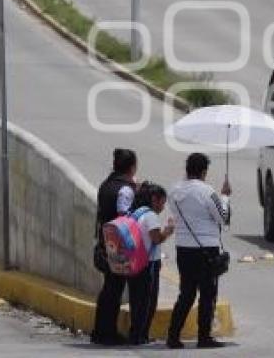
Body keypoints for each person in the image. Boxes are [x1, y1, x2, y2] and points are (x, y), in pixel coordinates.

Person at [167, 153, 231, 350]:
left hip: (183, 248)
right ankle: (204, 337)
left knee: (186, 294)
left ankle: (173, 336)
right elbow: (223, 218)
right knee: (207, 294)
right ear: (204, 171)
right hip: (206, 249)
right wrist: (225, 197)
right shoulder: (207, 191)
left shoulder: (174, 191)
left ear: (187, 169)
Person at [91, 148, 138, 346]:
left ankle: (100, 331)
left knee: (109, 289)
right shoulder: (126, 189)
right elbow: (124, 216)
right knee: (114, 289)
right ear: (132, 167)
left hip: (104, 242)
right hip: (117, 246)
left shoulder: (106, 184)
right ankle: (108, 332)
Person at [128, 182, 174, 345]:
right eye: (162, 202)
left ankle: (135, 333)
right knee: (147, 301)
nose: (162, 206)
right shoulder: (151, 216)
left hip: (134, 261)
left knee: (136, 300)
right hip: (148, 264)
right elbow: (157, 238)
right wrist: (168, 230)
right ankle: (140, 335)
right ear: (154, 199)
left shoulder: (136, 213)